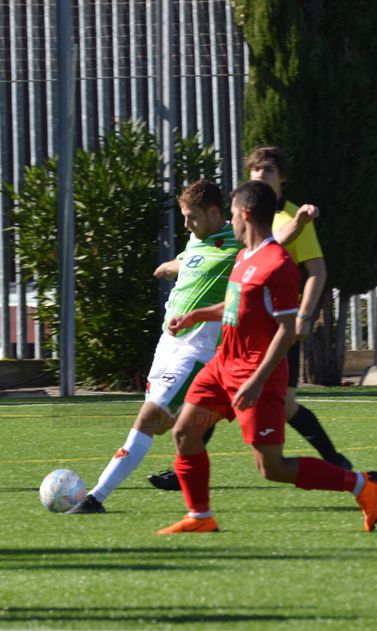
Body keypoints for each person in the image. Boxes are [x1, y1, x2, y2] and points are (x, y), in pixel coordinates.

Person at [156, 180, 377, 535]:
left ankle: (360, 484)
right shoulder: (245, 256)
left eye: (232, 214)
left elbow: (286, 331)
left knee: (271, 468)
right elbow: (235, 306)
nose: (229, 221)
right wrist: (195, 316)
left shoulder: (278, 265)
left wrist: (256, 380)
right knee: (185, 433)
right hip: (223, 365)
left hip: (256, 373)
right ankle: (200, 516)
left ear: (245, 215)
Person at [147, 146, 351, 492]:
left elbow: (289, 255)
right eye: (256, 169)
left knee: (280, 426)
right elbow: (223, 261)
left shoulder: (285, 220)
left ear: (282, 177)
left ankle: (340, 467)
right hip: (237, 337)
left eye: (268, 169)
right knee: (201, 410)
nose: (260, 175)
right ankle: (194, 498)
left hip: (273, 329)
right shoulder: (242, 232)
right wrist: (189, 301)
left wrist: (304, 314)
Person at [66, 181, 244, 513]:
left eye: (191, 217)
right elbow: (191, 260)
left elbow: (275, 242)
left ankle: (95, 498)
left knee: (148, 419)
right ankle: (203, 422)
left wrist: (300, 220)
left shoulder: (239, 241)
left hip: (196, 351)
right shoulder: (197, 238)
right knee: (162, 425)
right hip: (167, 345)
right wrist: (169, 267)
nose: (186, 224)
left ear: (214, 213)